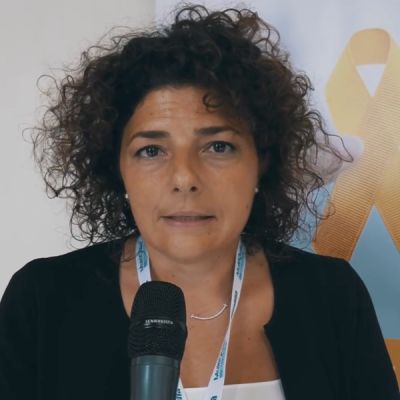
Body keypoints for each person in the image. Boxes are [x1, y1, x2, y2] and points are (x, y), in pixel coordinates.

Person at [0, 4, 398, 400]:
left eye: (218, 146)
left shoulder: (332, 295)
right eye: (151, 150)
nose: (185, 178)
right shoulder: (43, 299)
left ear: (262, 163)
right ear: (116, 169)